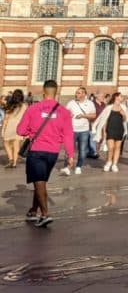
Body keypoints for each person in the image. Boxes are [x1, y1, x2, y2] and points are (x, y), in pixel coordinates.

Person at [18, 80, 74, 226]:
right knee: (41, 181)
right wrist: (71, 155)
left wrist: (30, 132)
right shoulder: (64, 112)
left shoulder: (33, 109)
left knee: (39, 182)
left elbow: (20, 130)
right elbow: (68, 135)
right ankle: (33, 210)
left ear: (43, 92)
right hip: (53, 152)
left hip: (37, 149)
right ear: (56, 93)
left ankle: (45, 214)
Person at [63, 87, 96, 176]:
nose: (76, 94)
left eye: (79, 93)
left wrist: (83, 116)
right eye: (76, 93)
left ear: (84, 94)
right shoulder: (71, 103)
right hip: (72, 130)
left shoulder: (90, 103)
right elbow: (64, 114)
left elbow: (93, 115)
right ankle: (68, 167)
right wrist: (69, 115)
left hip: (84, 130)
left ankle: (78, 166)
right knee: (69, 150)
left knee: (82, 150)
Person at [95, 92, 127, 172]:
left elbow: (125, 120)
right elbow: (104, 120)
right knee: (111, 148)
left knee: (117, 148)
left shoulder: (123, 107)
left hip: (120, 129)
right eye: (120, 96)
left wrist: (123, 115)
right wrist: (104, 131)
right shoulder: (109, 107)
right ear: (116, 97)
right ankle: (109, 162)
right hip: (110, 129)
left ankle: (114, 164)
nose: (122, 97)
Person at [2, 90, 27, 167]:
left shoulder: (10, 105)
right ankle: (15, 163)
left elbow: (6, 119)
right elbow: (26, 119)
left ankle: (11, 159)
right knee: (16, 146)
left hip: (9, 127)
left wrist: (3, 130)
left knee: (6, 143)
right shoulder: (24, 106)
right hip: (19, 128)